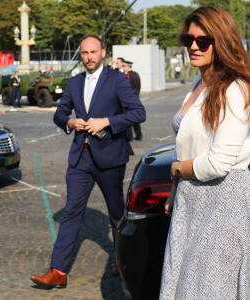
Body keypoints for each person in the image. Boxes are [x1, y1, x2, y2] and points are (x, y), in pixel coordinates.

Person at [30, 34, 146, 289]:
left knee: (117, 214)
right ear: (80, 55)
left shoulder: (117, 79)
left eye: (93, 52)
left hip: (110, 157)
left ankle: (121, 259)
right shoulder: (74, 82)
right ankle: (58, 271)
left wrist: (107, 122)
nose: (89, 57)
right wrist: (69, 122)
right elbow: (60, 113)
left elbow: (138, 113)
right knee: (72, 212)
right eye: (84, 53)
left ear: (102, 52)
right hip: (80, 157)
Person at [160, 7, 250, 299]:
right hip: (191, 200)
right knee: (185, 284)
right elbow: (189, 146)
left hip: (224, 201)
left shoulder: (235, 89)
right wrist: (177, 189)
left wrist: (176, 170)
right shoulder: (198, 85)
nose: (193, 47)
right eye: (188, 40)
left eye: (203, 40)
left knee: (206, 288)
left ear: (222, 41)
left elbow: (219, 163)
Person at [123, 60, 142, 141]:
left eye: (124, 66)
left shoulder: (127, 75)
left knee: (127, 118)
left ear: (128, 66)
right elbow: (139, 86)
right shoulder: (136, 74)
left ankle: (129, 137)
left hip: (128, 100)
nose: (123, 68)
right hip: (136, 99)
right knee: (135, 118)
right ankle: (139, 135)